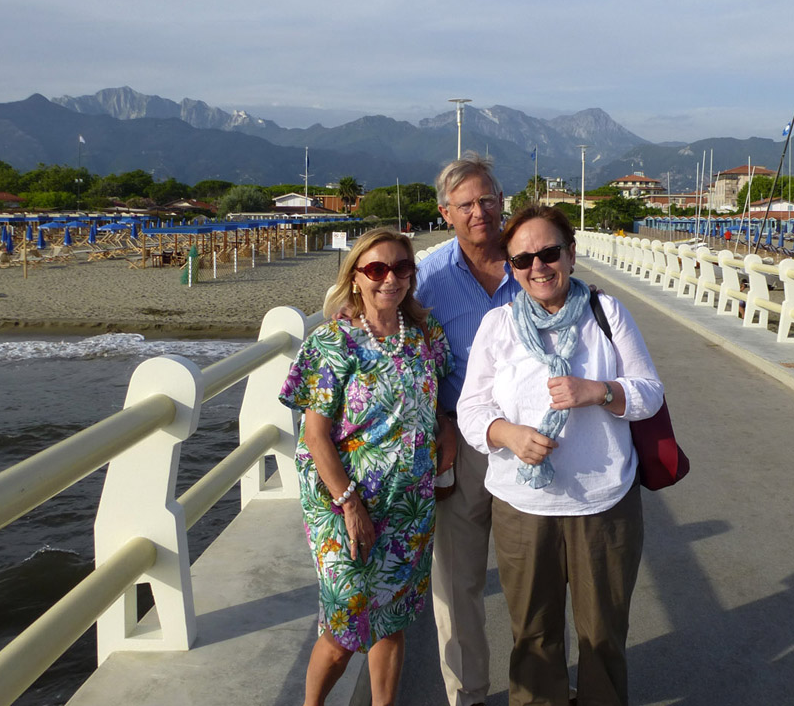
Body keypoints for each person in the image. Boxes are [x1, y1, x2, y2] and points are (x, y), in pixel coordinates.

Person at [457, 205, 664, 706]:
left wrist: (599, 391)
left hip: (604, 502)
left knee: (603, 634)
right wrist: (507, 434)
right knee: (533, 634)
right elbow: (471, 408)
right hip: (523, 506)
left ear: (570, 254)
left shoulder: (606, 312)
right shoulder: (498, 324)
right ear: (511, 268)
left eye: (549, 253)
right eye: (522, 259)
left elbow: (649, 392)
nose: (538, 267)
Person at [279, 228, 453, 706]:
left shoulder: (425, 333)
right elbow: (315, 435)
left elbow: (435, 400)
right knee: (344, 623)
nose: (389, 278)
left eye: (401, 267)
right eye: (376, 269)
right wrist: (350, 505)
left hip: (408, 503)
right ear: (355, 276)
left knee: (392, 619)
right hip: (343, 503)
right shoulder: (332, 342)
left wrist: (447, 428)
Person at [416, 153, 520, 706]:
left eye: (486, 200)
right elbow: (405, 357)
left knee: (533, 578)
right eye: (465, 205)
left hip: (529, 442)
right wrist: (439, 423)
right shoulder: (428, 280)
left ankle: (539, 688)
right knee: (457, 583)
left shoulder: (532, 262)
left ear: (501, 202)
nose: (478, 212)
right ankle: (468, 694)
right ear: (445, 213)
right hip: (460, 442)